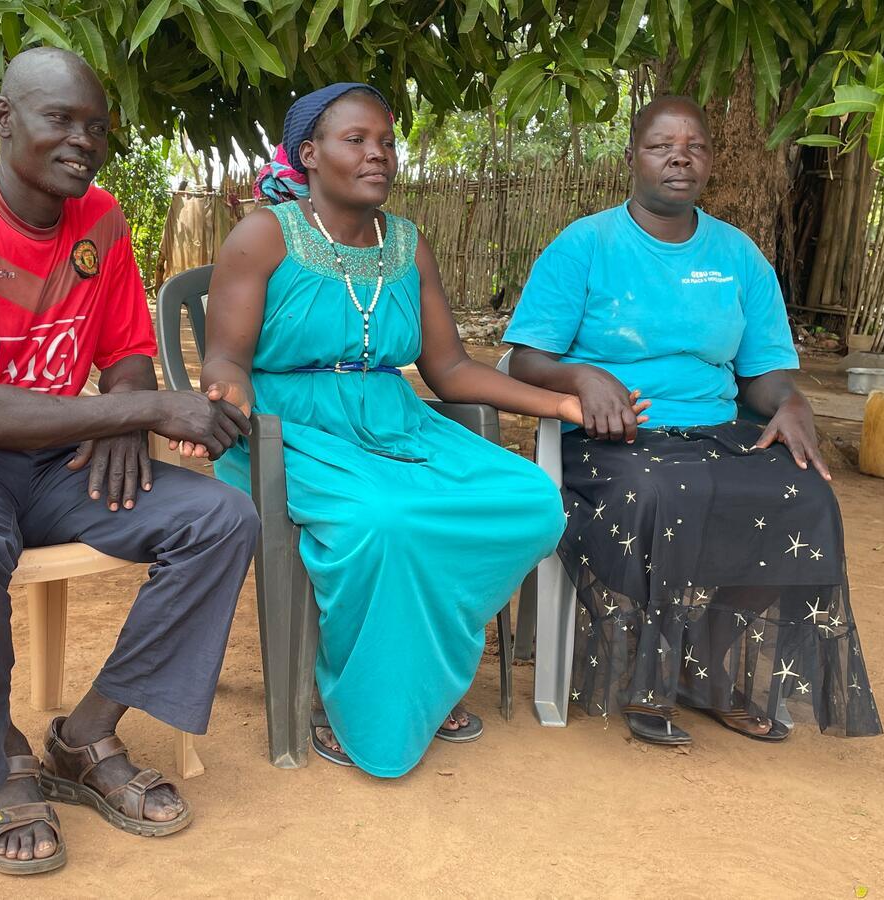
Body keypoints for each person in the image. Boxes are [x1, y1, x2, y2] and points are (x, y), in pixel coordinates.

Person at [0, 47, 259, 875]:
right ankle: (1, 760)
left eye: (96, 127)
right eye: (60, 120)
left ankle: (86, 734)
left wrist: (123, 414)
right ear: (4, 121)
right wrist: (147, 410)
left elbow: (124, 353)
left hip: (56, 462)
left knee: (220, 517)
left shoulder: (103, 221)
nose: (82, 140)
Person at [201, 83, 620, 777]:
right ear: (309, 154)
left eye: (388, 142)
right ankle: (358, 706)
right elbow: (225, 356)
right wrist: (226, 403)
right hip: (288, 432)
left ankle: (423, 670)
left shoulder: (408, 243)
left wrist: (562, 405)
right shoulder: (264, 235)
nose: (379, 155)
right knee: (385, 521)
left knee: (532, 503)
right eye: (357, 140)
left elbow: (450, 369)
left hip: (394, 422)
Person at [504, 95, 881, 745]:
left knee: (805, 493)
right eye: (661, 146)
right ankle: (655, 675)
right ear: (632, 158)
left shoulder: (737, 256)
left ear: (709, 161)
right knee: (662, 492)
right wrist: (584, 376)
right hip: (609, 439)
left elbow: (762, 373)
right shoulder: (585, 245)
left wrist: (792, 402)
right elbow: (524, 359)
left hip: (712, 430)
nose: (680, 156)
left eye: (695, 146)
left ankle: (704, 663)